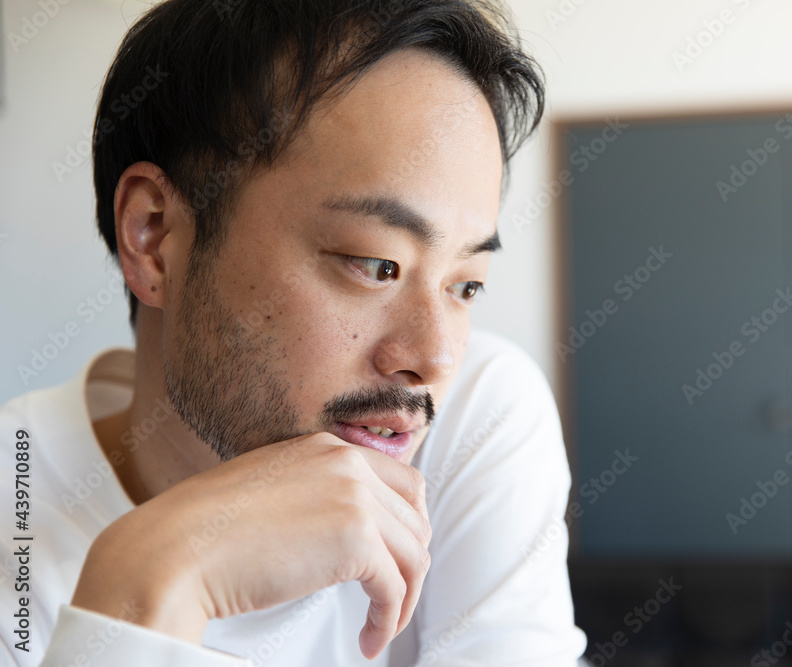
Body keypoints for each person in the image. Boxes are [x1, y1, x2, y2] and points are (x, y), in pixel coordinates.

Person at [0, 0, 589, 664]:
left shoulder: (479, 414)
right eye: (376, 264)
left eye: (466, 284)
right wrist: (148, 584)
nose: (434, 359)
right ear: (155, 236)